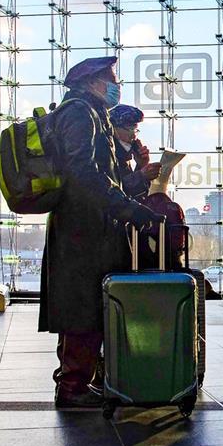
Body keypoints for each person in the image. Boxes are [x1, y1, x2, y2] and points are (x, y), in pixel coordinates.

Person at [38, 56, 164, 408]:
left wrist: (138, 180)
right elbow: (83, 175)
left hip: (92, 226)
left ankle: (80, 381)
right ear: (92, 82)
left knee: (91, 303)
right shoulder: (78, 113)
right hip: (83, 229)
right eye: (111, 78)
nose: (116, 84)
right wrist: (129, 209)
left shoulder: (93, 115)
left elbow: (105, 177)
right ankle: (72, 387)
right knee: (82, 306)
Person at [109, 104, 161, 200]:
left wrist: (141, 165)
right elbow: (111, 192)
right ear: (113, 128)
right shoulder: (108, 153)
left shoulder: (125, 155)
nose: (133, 135)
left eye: (135, 129)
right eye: (129, 129)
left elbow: (134, 195)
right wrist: (142, 175)